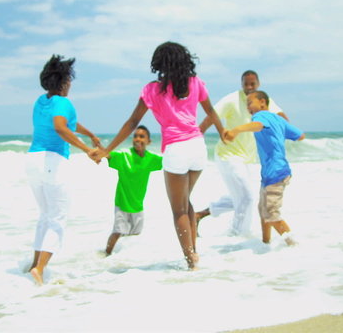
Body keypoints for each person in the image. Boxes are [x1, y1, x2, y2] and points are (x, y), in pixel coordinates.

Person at [91, 41, 226, 270]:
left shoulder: (153, 89)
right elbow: (211, 112)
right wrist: (223, 132)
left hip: (176, 150)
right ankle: (195, 253)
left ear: (160, 64)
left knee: (179, 209)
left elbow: (133, 122)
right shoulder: (195, 83)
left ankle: (191, 260)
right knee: (186, 201)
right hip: (197, 147)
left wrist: (107, 150)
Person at [25, 54, 101, 285]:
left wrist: (90, 134)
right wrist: (87, 149)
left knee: (45, 216)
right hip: (52, 162)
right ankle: (39, 269)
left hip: (32, 161)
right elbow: (60, 126)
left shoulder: (41, 101)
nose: (70, 84)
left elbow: (69, 123)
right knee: (57, 218)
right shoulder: (63, 102)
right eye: (69, 79)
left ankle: (33, 264)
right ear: (63, 81)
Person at [196, 70, 289, 236]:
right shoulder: (232, 99)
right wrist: (202, 134)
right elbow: (212, 115)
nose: (249, 87)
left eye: (252, 84)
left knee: (242, 196)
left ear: (258, 84)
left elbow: (282, 117)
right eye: (246, 84)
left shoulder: (263, 101)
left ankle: (200, 215)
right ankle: (236, 237)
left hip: (246, 159)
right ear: (242, 84)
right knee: (246, 198)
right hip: (228, 156)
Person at [224, 90, 305, 245]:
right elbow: (300, 135)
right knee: (263, 210)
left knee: (271, 213)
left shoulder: (260, 116)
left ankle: (293, 244)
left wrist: (235, 130)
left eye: (250, 103)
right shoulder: (279, 120)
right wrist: (280, 131)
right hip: (272, 173)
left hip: (275, 172)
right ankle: (265, 244)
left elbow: (258, 125)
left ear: (262, 102)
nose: (248, 107)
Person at [103, 125, 163, 255]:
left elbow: (170, 162)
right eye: (135, 136)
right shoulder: (124, 155)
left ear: (149, 141)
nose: (137, 139)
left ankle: (124, 257)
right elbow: (106, 155)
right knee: (118, 231)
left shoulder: (152, 159)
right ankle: (106, 254)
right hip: (122, 202)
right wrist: (97, 148)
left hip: (138, 205)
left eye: (142, 136)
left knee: (135, 234)